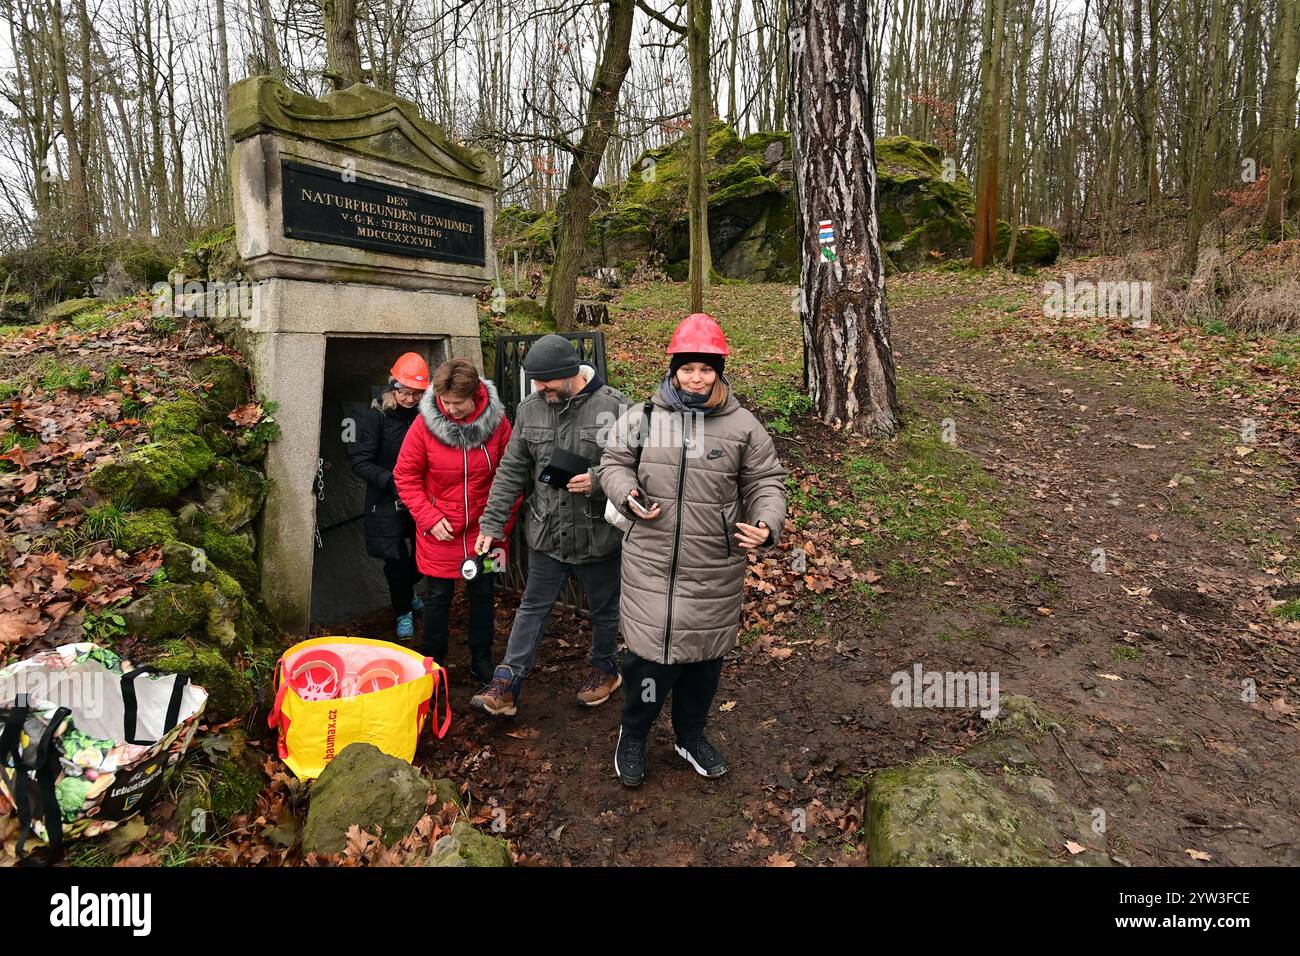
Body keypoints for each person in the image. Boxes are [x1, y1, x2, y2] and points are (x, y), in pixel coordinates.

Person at [598, 313, 787, 786]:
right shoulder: (642, 418)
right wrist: (625, 492)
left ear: (719, 370)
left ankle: (690, 734)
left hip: (714, 566)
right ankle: (634, 735)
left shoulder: (744, 426)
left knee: (703, 661)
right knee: (649, 659)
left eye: (706, 368)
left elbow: (767, 481)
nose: (696, 378)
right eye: (688, 368)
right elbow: (612, 463)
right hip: (651, 563)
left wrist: (767, 524)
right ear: (673, 369)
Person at [469, 334, 631, 716]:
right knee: (532, 607)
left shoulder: (617, 408)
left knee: (605, 608)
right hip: (547, 532)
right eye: (535, 382)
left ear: (570, 373)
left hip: (598, 534)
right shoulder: (530, 409)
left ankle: (605, 668)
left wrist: (598, 479)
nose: (539, 389)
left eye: (545, 382)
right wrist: (491, 524)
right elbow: (511, 470)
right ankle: (506, 683)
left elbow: (636, 466)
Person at [393, 358, 519, 685]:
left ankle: (481, 659)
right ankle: (432, 664)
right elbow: (405, 476)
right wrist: (428, 516)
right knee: (437, 597)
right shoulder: (423, 426)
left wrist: (497, 527)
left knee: (483, 593)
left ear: (476, 395)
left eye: (458, 403)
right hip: (440, 531)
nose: (451, 409)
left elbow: (512, 477)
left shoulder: (499, 425)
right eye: (445, 402)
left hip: (486, 531)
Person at [347, 352, 429, 641]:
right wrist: (394, 481)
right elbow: (360, 461)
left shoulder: (427, 416)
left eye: (416, 394)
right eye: (404, 392)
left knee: (423, 555)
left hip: (422, 499)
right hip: (387, 500)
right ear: (393, 388)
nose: (410, 399)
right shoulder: (376, 416)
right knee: (395, 559)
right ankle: (403, 611)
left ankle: (406, 595)